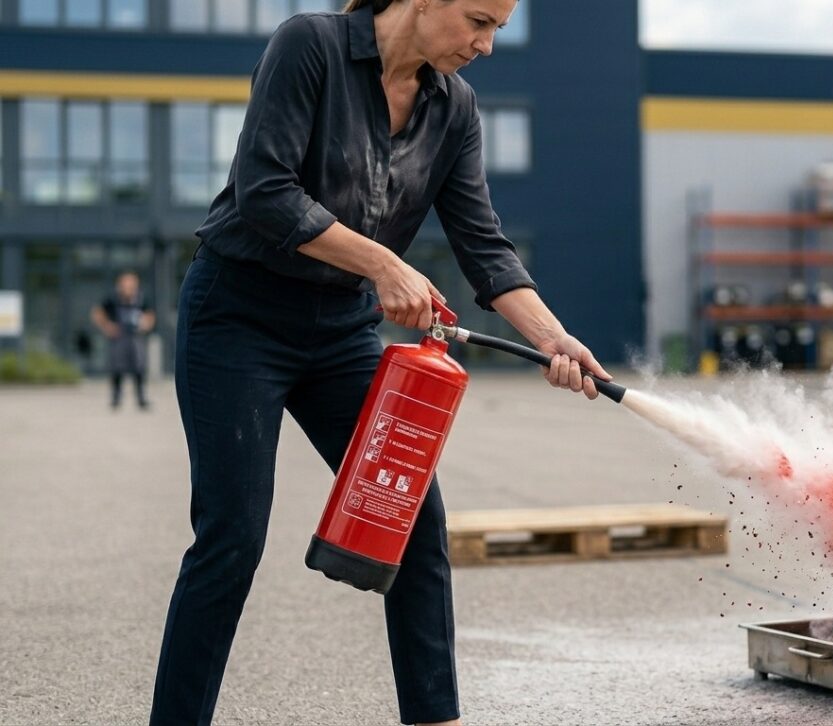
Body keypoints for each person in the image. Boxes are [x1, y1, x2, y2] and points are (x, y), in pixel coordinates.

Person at [149, 1, 612, 724]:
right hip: (237, 316)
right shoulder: (310, 45)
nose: (487, 45)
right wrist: (383, 263)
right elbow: (266, 192)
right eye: (479, 21)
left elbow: (483, 248)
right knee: (232, 539)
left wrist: (554, 338)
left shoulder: (453, 109)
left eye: (497, 29)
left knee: (416, 523)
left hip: (339, 329)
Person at [91, 270, 155, 410]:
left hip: (136, 336)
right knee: (117, 367)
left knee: (139, 366)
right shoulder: (112, 299)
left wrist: (145, 324)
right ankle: (116, 397)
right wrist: (107, 326)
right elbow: (97, 313)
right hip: (119, 337)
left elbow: (150, 315)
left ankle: (141, 398)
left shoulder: (142, 298)